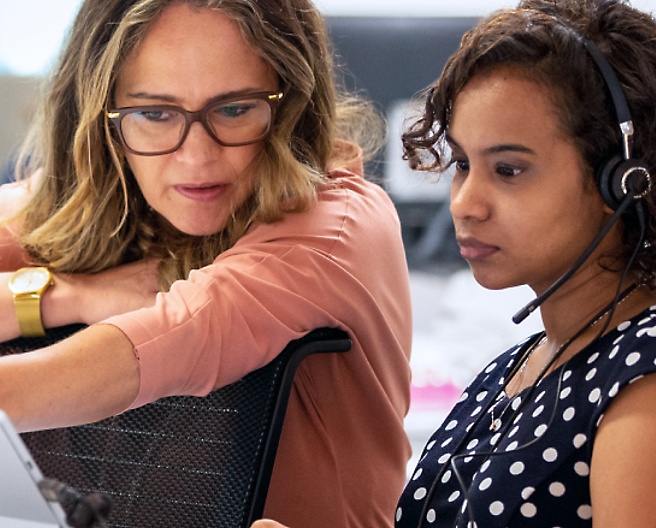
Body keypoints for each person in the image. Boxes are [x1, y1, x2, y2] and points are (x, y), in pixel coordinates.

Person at [0, 2, 413, 528]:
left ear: (290, 107)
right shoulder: (78, 202)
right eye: (154, 113)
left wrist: (67, 298)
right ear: (101, 116)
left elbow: (169, 342)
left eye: (235, 109)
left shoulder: (338, 228)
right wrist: (59, 294)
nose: (197, 158)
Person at [253, 0, 656, 527]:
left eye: (509, 170)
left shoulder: (642, 386)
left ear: (620, 180)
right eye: (464, 164)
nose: (464, 202)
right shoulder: (519, 367)